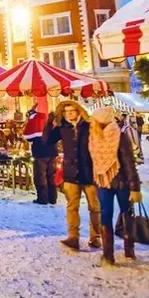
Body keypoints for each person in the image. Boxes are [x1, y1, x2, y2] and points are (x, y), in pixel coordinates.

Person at [44, 100, 100, 250]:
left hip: (89, 172)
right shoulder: (63, 128)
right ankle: (73, 237)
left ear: (78, 111)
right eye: (66, 111)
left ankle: (95, 237)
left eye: (72, 110)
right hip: (71, 173)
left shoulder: (89, 126)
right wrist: (49, 123)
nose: (69, 113)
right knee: (72, 207)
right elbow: (47, 140)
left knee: (94, 207)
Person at [88, 107, 141, 265]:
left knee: (127, 213)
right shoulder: (94, 137)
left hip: (122, 182)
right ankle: (108, 254)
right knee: (105, 214)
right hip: (103, 181)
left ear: (101, 121)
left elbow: (129, 163)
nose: (92, 123)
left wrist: (134, 187)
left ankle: (129, 248)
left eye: (94, 120)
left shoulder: (120, 136)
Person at [24, 104, 55, 205]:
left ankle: (42, 199)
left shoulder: (33, 121)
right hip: (52, 151)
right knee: (51, 175)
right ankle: (52, 198)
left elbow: (28, 136)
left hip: (40, 152)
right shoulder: (46, 119)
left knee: (40, 176)